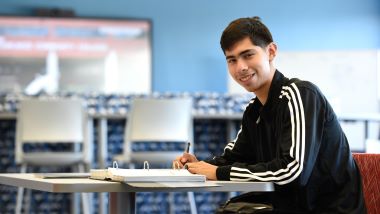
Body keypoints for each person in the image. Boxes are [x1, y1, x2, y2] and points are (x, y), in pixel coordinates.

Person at [175, 17, 366, 213]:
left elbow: (292, 171)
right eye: (232, 60)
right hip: (290, 206)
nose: (240, 67)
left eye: (248, 55)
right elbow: (233, 157)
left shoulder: (300, 94)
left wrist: (218, 172)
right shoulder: (254, 110)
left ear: (271, 52)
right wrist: (199, 165)